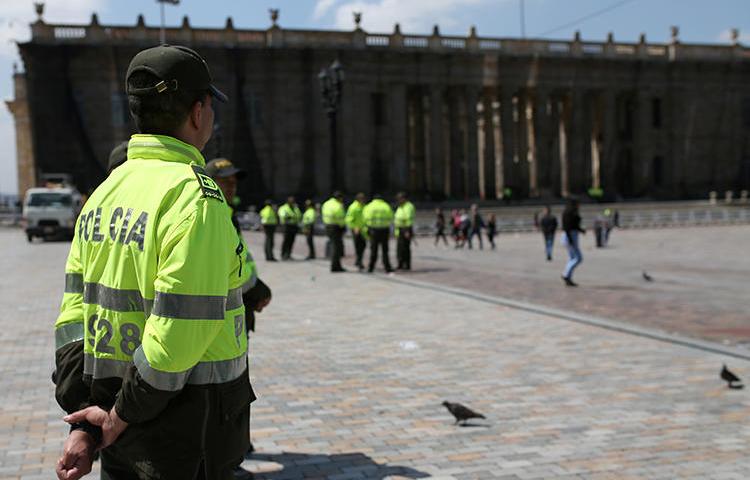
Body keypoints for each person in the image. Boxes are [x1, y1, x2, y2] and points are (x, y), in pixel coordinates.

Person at [54, 45, 255, 480]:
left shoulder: (104, 194)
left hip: (115, 428)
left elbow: (72, 317)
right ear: (199, 113)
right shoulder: (193, 197)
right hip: (185, 432)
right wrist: (121, 414)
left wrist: (85, 421)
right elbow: (179, 332)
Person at [207, 157, 273, 475]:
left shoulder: (226, 214)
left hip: (239, 308)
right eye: (225, 180)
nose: (231, 186)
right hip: (225, 313)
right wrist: (257, 289)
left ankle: (236, 447)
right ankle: (227, 457)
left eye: (234, 181)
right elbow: (228, 268)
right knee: (227, 388)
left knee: (234, 385)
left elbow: (241, 262)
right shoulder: (214, 215)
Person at [363, 194, 394, 273]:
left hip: (373, 230)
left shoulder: (369, 206)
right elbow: (391, 217)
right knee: (385, 250)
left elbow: (365, 218)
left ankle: (371, 267)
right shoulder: (386, 206)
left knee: (373, 250)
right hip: (384, 230)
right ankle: (387, 267)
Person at [562, 198, 586, 286]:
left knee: (572, 258)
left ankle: (568, 277)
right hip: (570, 236)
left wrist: (581, 230)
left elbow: (574, 225)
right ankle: (565, 274)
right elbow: (568, 227)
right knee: (578, 258)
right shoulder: (569, 213)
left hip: (570, 235)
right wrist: (570, 239)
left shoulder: (569, 212)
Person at [321, 191, 346, 272]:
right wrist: (343, 226)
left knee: (334, 245)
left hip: (328, 226)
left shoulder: (326, 203)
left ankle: (337, 265)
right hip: (336, 227)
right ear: (339, 198)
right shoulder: (338, 205)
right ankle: (334, 266)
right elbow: (341, 218)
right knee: (336, 247)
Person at [394, 192, 416, 270]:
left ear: (404, 198)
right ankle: (400, 263)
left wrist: (407, 231)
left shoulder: (408, 206)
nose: (398, 200)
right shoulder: (400, 206)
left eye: (400, 198)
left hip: (406, 229)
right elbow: (397, 219)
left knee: (405, 248)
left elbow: (408, 219)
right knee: (399, 248)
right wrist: (396, 232)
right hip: (400, 229)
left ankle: (406, 265)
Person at [346, 192, 367, 270]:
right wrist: (354, 227)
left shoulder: (364, 206)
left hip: (364, 230)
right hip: (356, 230)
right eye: (362, 199)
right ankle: (359, 261)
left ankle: (358, 260)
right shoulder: (353, 207)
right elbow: (349, 219)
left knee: (363, 245)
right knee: (358, 246)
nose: (363, 200)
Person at [277, 196, 301, 260]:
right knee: (286, 241)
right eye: (291, 201)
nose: (292, 202)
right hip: (286, 226)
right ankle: (283, 254)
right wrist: (292, 217)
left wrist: (292, 217)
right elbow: (283, 216)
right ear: (287, 202)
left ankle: (288, 254)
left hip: (294, 226)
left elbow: (299, 215)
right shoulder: (283, 208)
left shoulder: (295, 208)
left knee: (291, 241)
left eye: (293, 201)